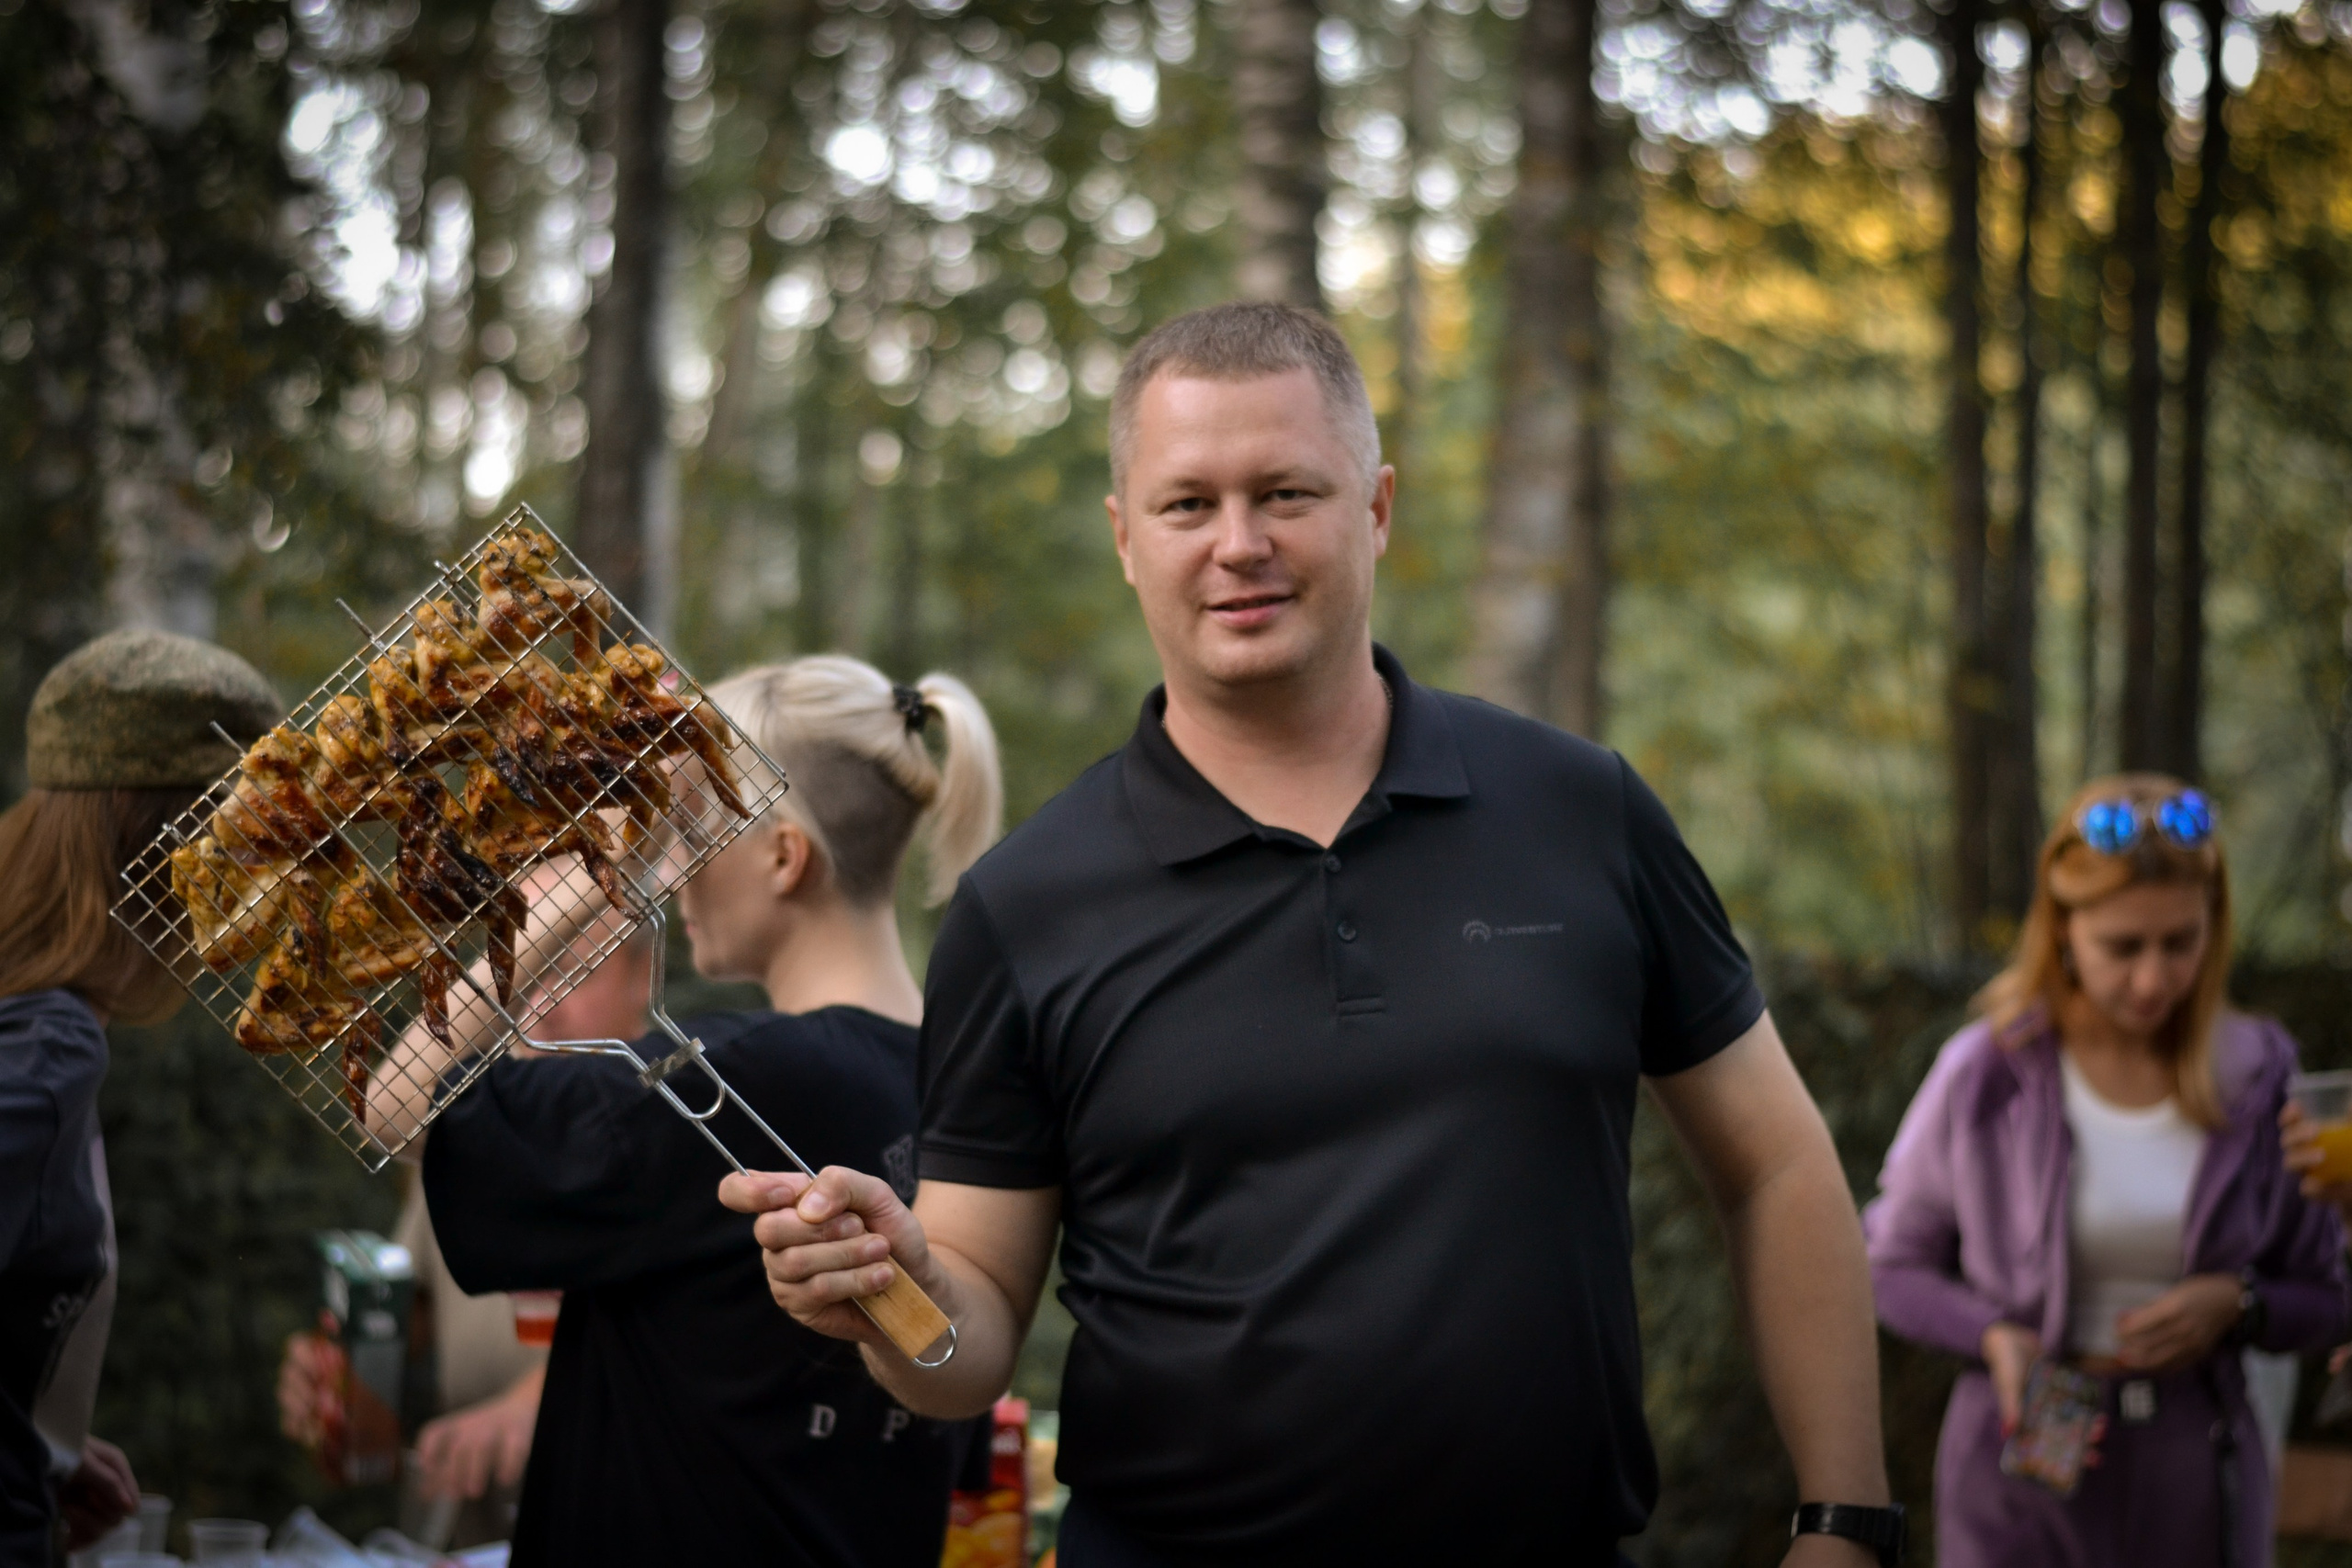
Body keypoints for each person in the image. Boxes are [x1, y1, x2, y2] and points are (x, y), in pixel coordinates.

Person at [722, 302, 1897, 1567]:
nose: (1240, 544)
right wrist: (895, 1296)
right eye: (1187, 504)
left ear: (1377, 506)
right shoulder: (1026, 904)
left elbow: (1775, 1163)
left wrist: (1847, 1516)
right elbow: (973, 1335)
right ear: (1126, 536)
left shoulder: (1581, 810)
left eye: (1287, 491)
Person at [365, 653, 1003, 1568]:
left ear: (785, 856)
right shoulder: (965, 1078)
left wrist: (600, 870)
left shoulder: (737, 1077)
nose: (678, 868)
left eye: (694, 829)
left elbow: (395, 1101)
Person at [1866, 774, 2346, 1567]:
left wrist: (2240, 1302)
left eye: (2180, 942)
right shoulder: (1988, 1073)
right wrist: (1992, 1335)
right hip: (2021, 1475)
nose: (2154, 979)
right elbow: (1888, 1262)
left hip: (2201, 1473)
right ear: (2062, 931)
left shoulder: (2259, 1073)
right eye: (2123, 947)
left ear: (2213, 928)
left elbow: (2328, 1299)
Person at [0, 628, 282, 1567]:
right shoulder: (49, 1043)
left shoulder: (30, 1016)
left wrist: (38, 1444)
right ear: (165, 858)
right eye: (237, 849)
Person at [275, 931, 652, 1547]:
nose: (541, 1002)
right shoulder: (471, 1137)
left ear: (645, 976)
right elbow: (407, 1316)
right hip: (462, 1540)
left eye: (573, 971)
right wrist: (341, 1381)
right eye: (527, 971)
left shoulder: (677, 1133)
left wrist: (543, 1402)